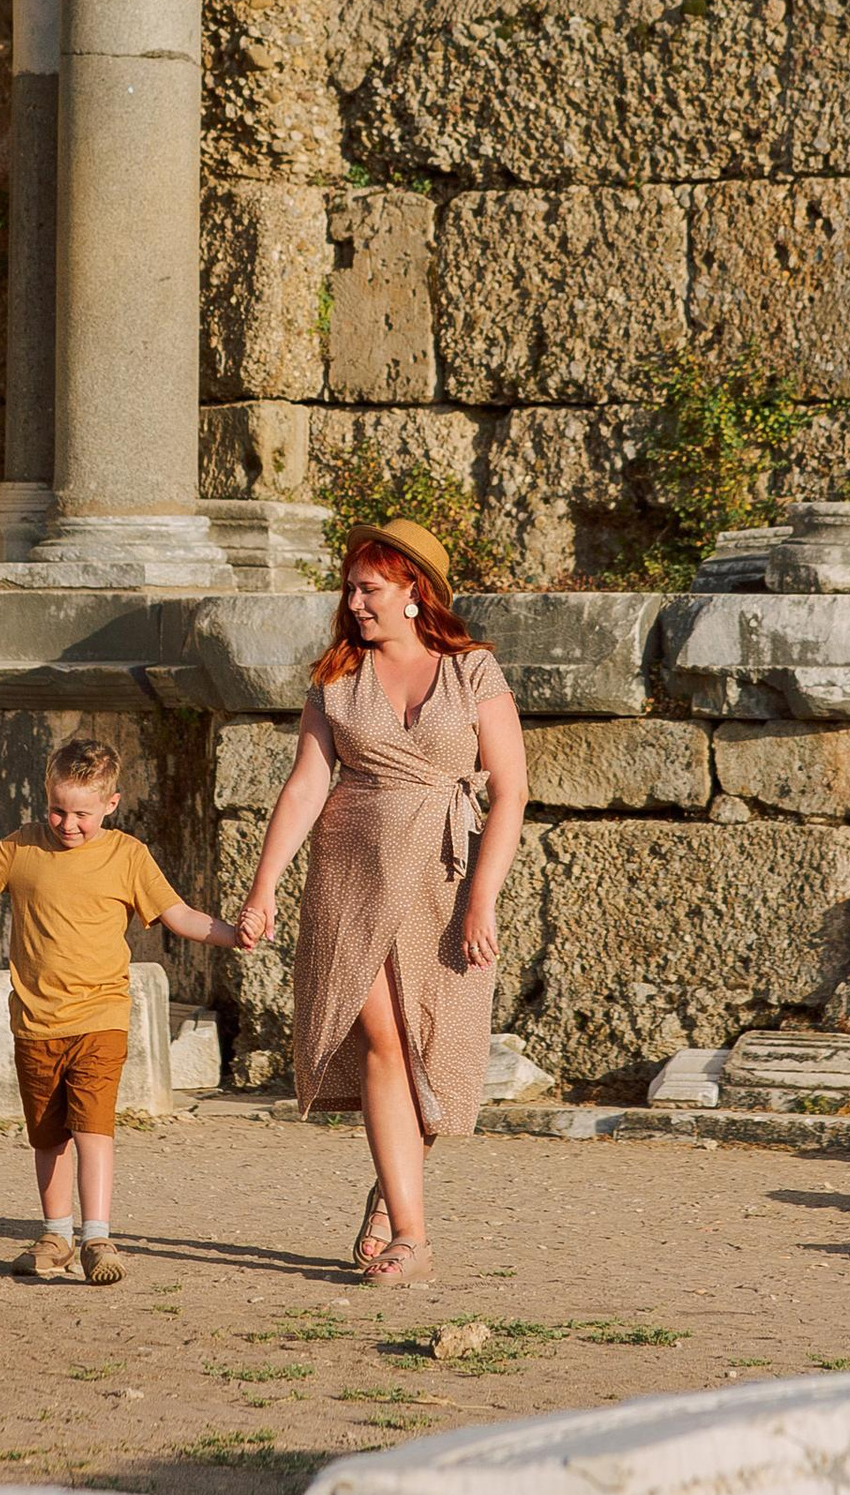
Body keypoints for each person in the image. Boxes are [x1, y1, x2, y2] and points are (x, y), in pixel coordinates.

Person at [236, 517, 528, 1287]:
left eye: (369, 588)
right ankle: (412, 1235)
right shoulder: (336, 678)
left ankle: (391, 1181)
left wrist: (483, 900)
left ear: (412, 593)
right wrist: (263, 888)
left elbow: (511, 791)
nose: (354, 602)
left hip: (444, 873)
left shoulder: (473, 672)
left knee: (432, 1047)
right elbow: (305, 787)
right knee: (384, 1041)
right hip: (351, 871)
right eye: (350, 588)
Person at [0, 734, 241, 1286]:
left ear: (111, 804)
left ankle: (98, 1237)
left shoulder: (128, 856)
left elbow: (178, 914)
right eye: (58, 810)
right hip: (36, 1023)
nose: (68, 824)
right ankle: (55, 1233)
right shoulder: (23, 848)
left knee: (94, 1129)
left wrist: (233, 934)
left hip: (101, 1018)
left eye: (82, 814)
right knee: (47, 1136)